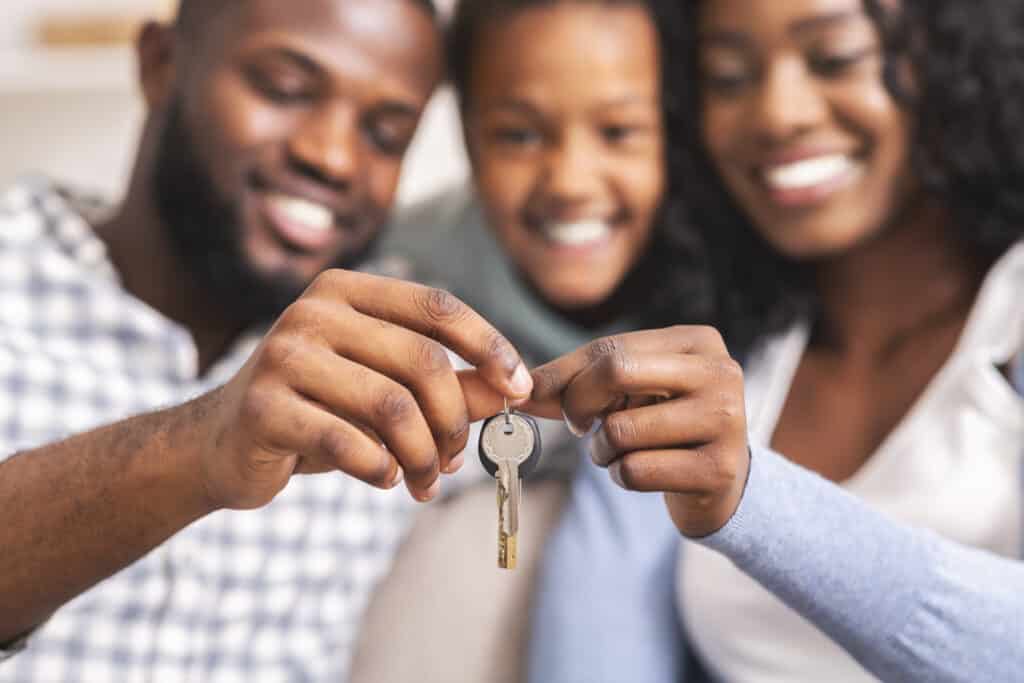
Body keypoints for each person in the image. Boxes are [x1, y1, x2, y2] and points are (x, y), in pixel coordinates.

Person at [0, 1, 535, 680]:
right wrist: (197, 444)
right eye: (284, 89)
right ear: (160, 63)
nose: (333, 156)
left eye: (386, 133)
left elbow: (549, 413)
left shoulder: (407, 345)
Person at [527, 0, 1024, 681]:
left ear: (954, 59)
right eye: (729, 78)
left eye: (834, 59)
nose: (777, 113)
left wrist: (753, 501)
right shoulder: (699, 357)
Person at [352, 1, 702, 681]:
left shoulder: (733, 282)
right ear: (464, 133)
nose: (570, 181)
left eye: (620, 131)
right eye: (518, 135)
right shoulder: (407, 270)